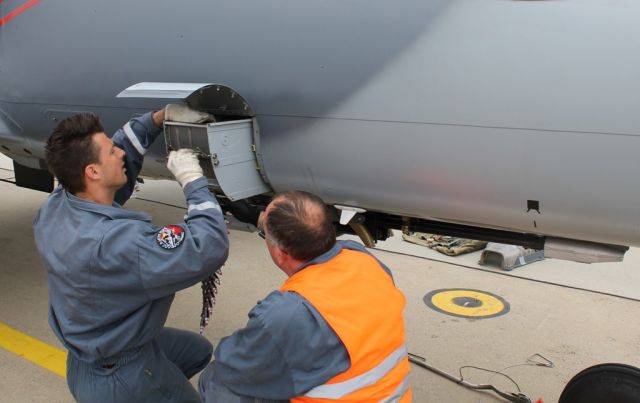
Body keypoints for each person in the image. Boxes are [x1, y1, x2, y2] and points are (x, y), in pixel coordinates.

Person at [33, 108, 229, 402]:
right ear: (93, 172)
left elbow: (122, 148)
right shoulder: (119, 243)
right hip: (120, 377)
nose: (120, 153)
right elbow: (208, 246)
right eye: (112, 152)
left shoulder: (57, 206)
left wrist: (159, 118)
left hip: (86, 358)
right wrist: (193, 181)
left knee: (197, 350)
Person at [199, 191, 412, 402]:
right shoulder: (362, 258)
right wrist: (258, 218)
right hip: (393, 397)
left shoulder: (290, 311)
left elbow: (234, 364)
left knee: (217, 380)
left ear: (281, 253)